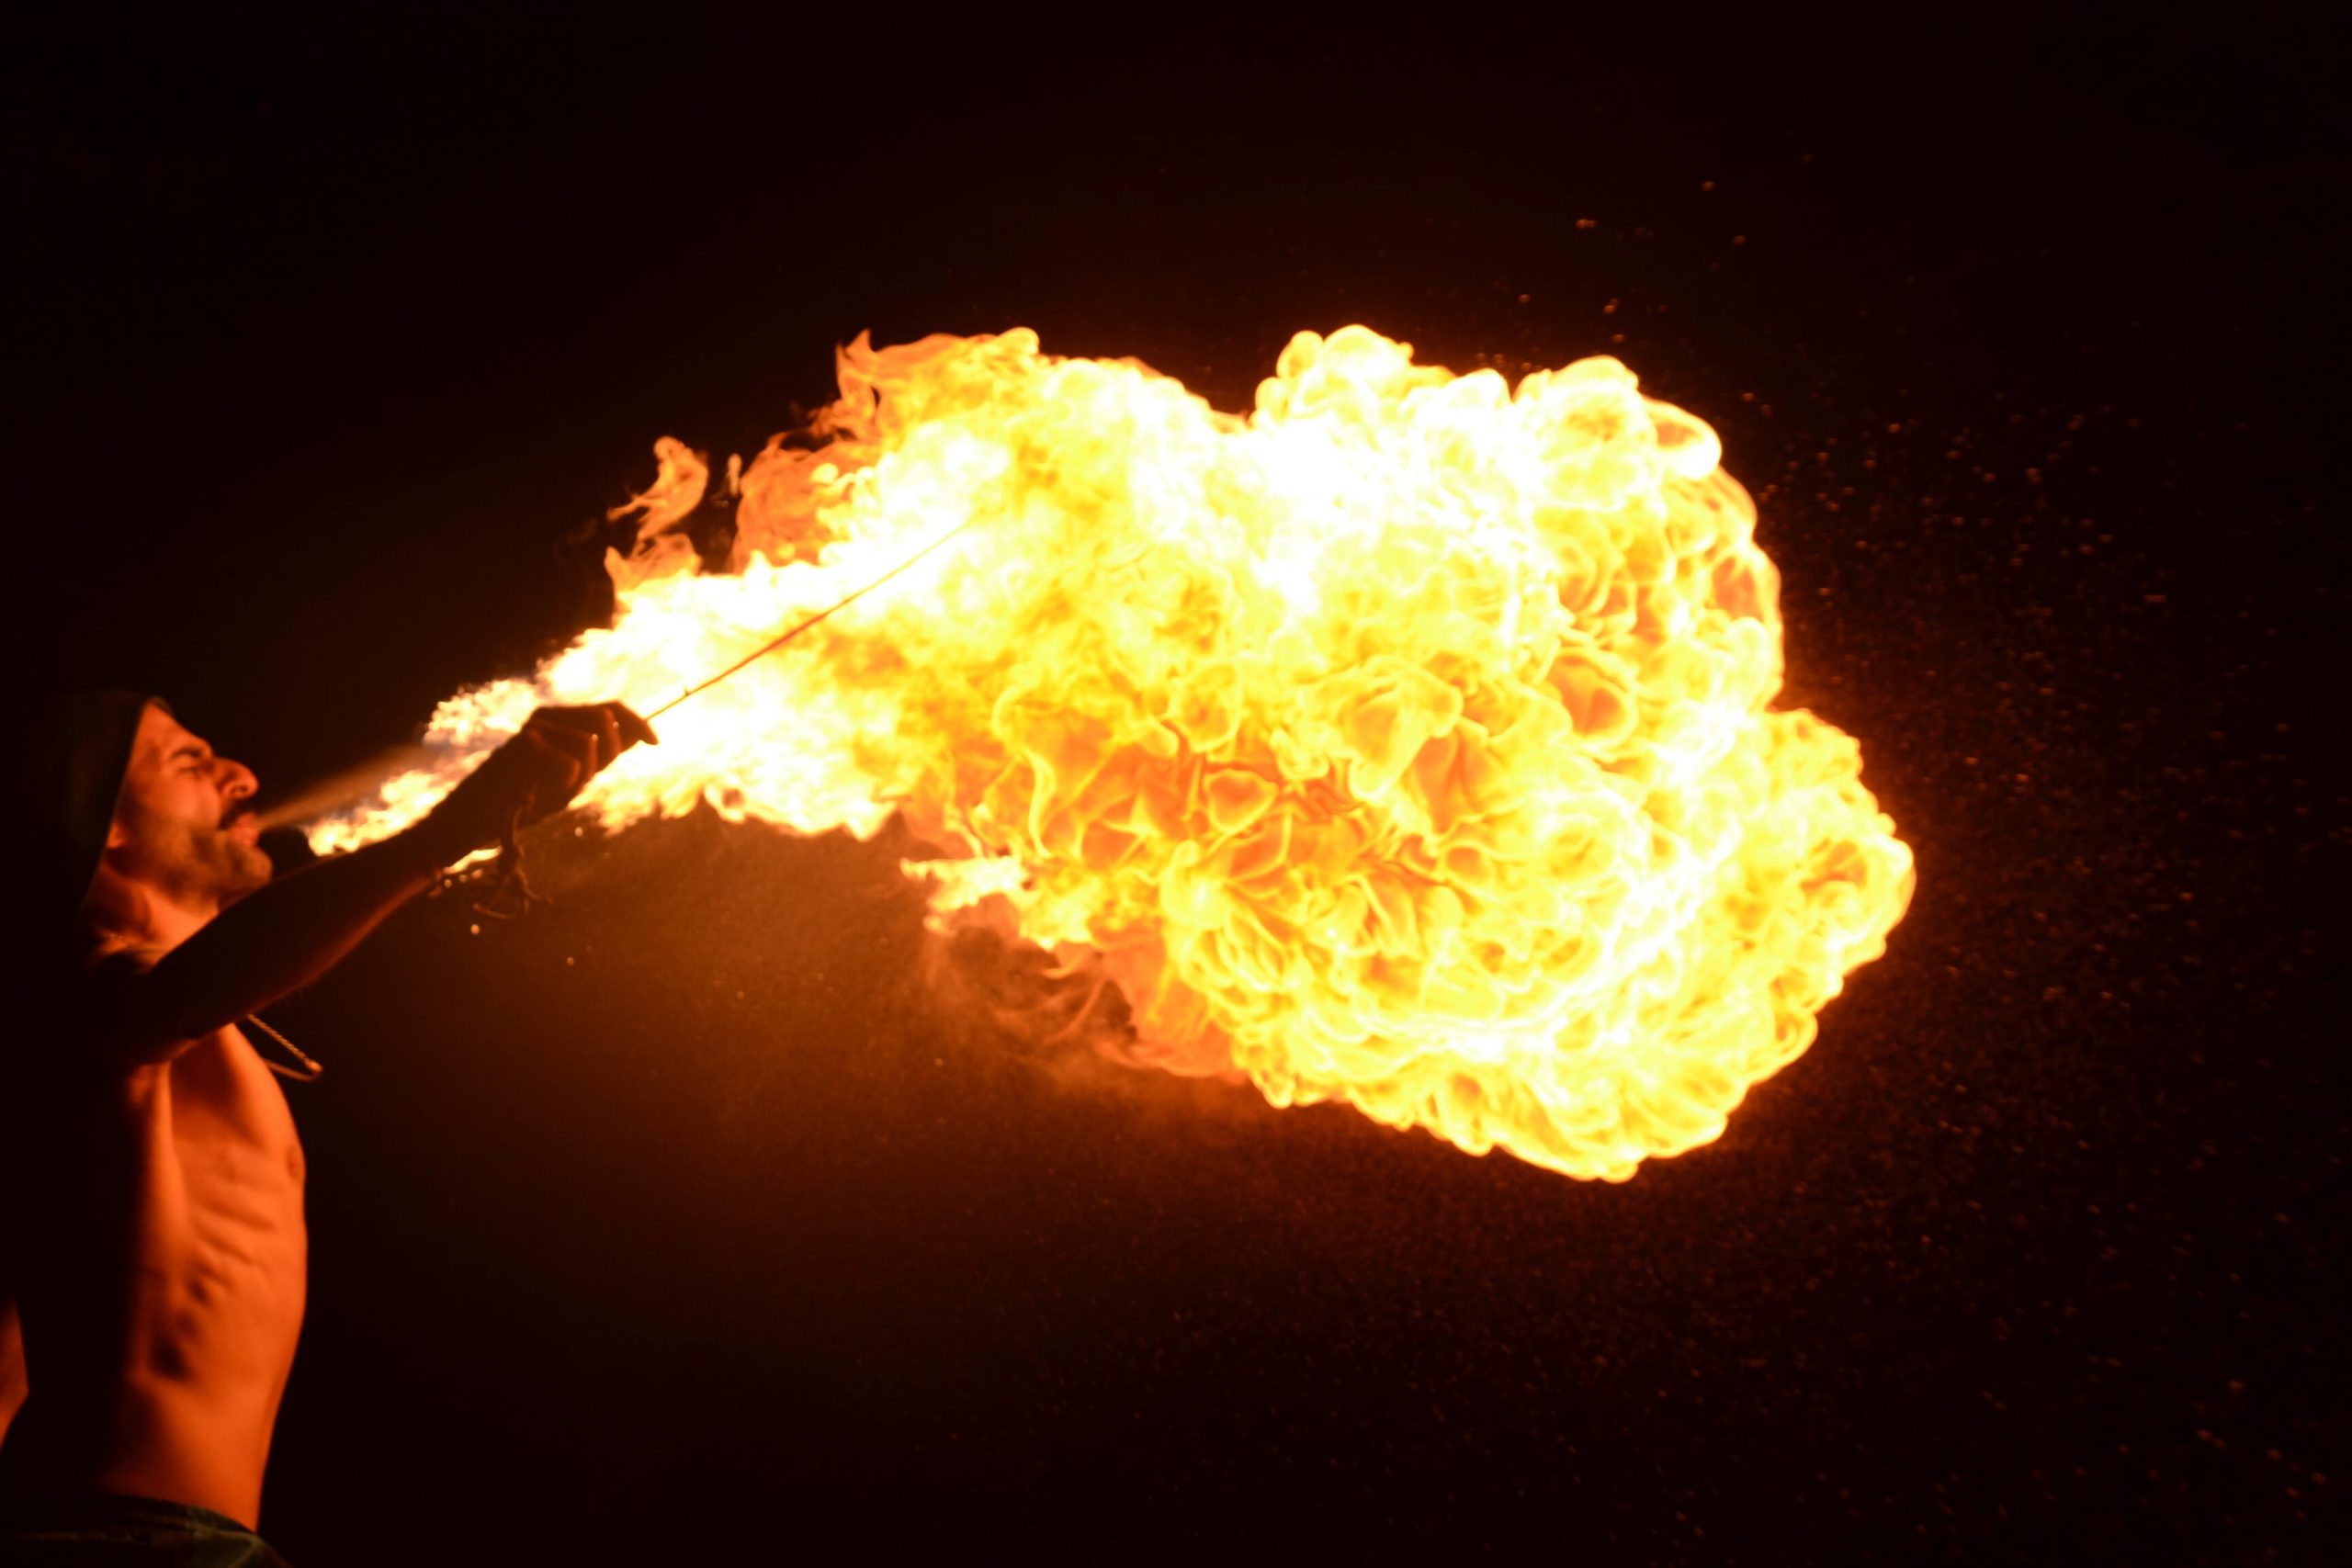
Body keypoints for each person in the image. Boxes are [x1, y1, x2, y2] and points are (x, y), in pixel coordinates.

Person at [1, 693, 654, 1563]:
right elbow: (178, 995)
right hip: (125, 1541)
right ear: (104, 826)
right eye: (190, 762)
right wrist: (440, 837)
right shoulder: (81, 1001)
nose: (244, 777)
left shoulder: (162, 1052)